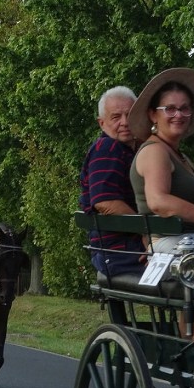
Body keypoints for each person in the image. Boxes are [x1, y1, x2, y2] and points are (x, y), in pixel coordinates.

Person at [128, 68, 194, 256]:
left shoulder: (182, 157)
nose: (178, 115)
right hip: (172, 243)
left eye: (184, 108)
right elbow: (158, 201)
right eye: (170, 109)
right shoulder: (155, 151)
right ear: (153, 115)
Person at [78, 85, 145, 276]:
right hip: (119, 252)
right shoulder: (107, 148)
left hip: (125, 247)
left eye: (130, 114)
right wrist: (147, 232)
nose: (125, 122)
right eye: (116, 117)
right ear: (102, 123)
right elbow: (105, 202)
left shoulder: (134, 150)